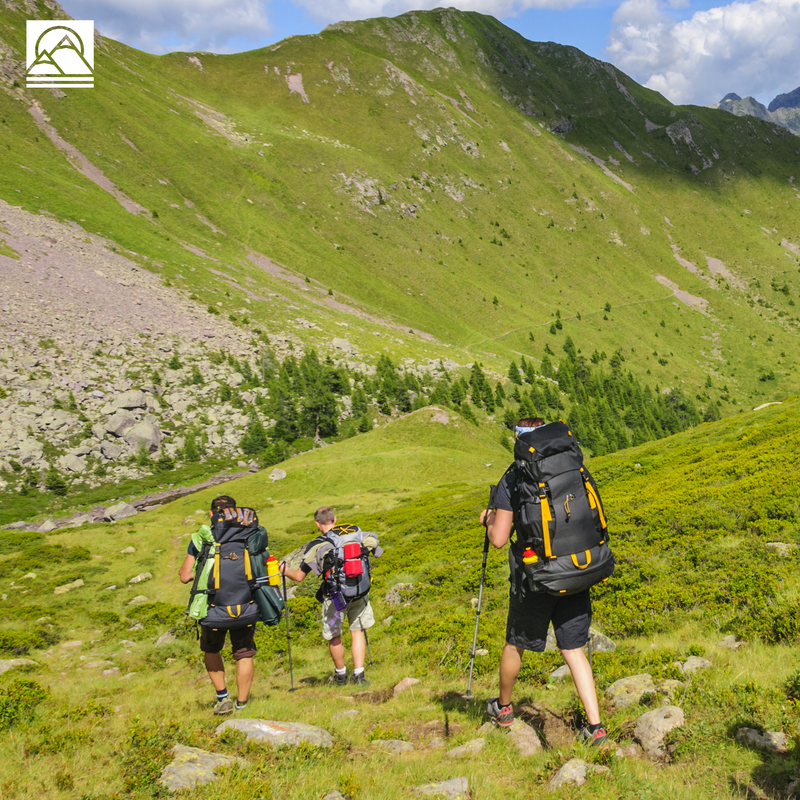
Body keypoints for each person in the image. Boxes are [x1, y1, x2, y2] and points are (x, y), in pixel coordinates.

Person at [479, 417, 608, 746]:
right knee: (573, 648)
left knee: (516, 642)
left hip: (536, 576)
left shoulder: (515, 476)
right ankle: (595, 726)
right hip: (577, 567)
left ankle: (504, 708)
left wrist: (489, 518)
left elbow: (498, 539)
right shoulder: (573, 466)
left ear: (520, 440)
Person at [281, 506, 380, 686]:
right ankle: (359, 676)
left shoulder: (318, 545)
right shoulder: (356, 534)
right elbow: (374, 545)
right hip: (359, 592)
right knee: (357, 632)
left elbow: (299, 577)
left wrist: (285, 570)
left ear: (317, 524)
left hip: (335, 598)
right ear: (335, 519)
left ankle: (341, 676)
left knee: (334, 636)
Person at [179, 495, 258, 715]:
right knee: (244, 652)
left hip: (213, 608)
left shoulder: (202, 536)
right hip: (246, 605)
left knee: (211, 649)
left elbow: (185, 576)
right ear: (235, 512)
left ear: (211, 513)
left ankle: (223, 697)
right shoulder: (248, 534)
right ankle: (242, 704)